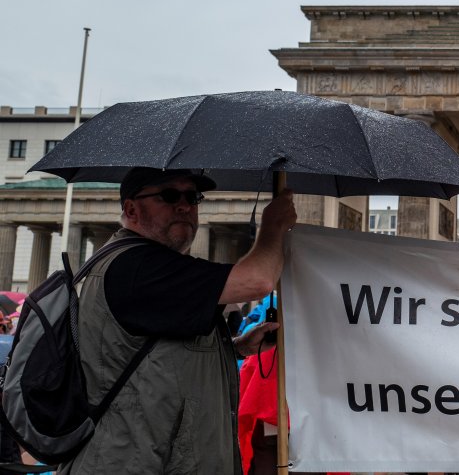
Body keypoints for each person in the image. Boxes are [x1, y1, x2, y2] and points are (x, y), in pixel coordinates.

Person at [60, 168, 296, 474]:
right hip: (136, 462)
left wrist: (236, 348)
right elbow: (258, 280)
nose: (184, 205)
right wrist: (273, 227)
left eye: (192, 197)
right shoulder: (136, 266)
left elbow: (154, 356)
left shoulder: (142, 265)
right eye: (169, 196)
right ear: (131, 209)